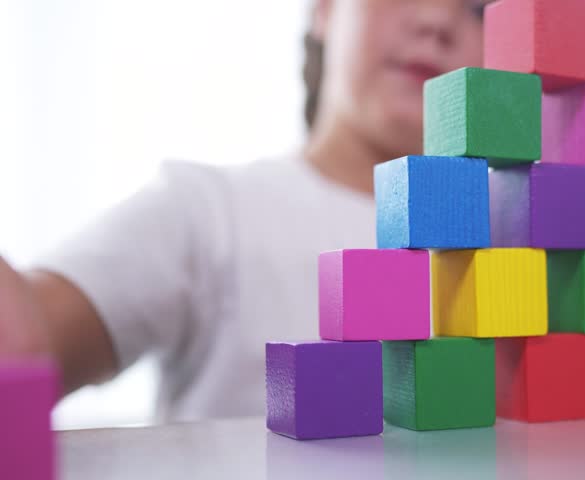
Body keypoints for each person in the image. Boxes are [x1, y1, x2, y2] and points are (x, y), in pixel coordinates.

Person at [0, 0, 489, 422]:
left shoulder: (525, 244)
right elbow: (29, 341)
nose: (437, 20)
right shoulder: (205, 211)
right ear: (324, 9)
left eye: (476, 7)